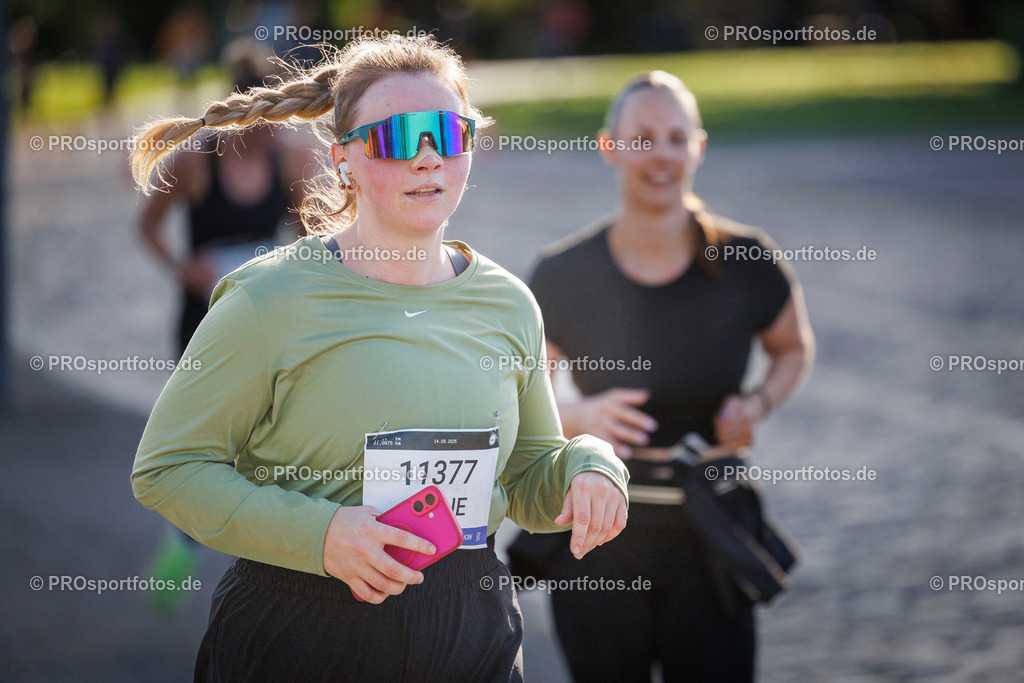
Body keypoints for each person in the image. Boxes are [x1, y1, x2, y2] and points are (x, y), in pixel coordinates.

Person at [129, 35, 629, 681]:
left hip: (470, 633)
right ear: (343, 160)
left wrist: (590, 462)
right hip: (301, 634)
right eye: (397, 138)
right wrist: (322, 535)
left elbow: (529, 479)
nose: (428, 158)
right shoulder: (266, 298)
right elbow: (169, 468)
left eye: (448, 133)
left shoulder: (509, 303)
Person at [526, 71, 815, 681]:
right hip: (598, 530)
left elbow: (793, 347)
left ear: (698, 148)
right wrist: (578, 417)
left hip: (712, 529)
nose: (661, 154)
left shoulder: (747, 258)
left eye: (677, 138)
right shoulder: (562, 272)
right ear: (609, 147)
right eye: (642, 138)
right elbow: (520, 391)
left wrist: (759, 403)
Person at [137, 42, 307, 615]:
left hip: (265, 321)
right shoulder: (193, 162)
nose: (265, 134)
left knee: (263, 436)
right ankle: (181, 546)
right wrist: (181, 268)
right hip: (203, 321)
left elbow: (310, 237)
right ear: (236, 112)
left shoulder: (288, 160)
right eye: (256, 123)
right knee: (204, 442)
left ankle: (266, 562)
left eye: (274, 122)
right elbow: (148, 226)